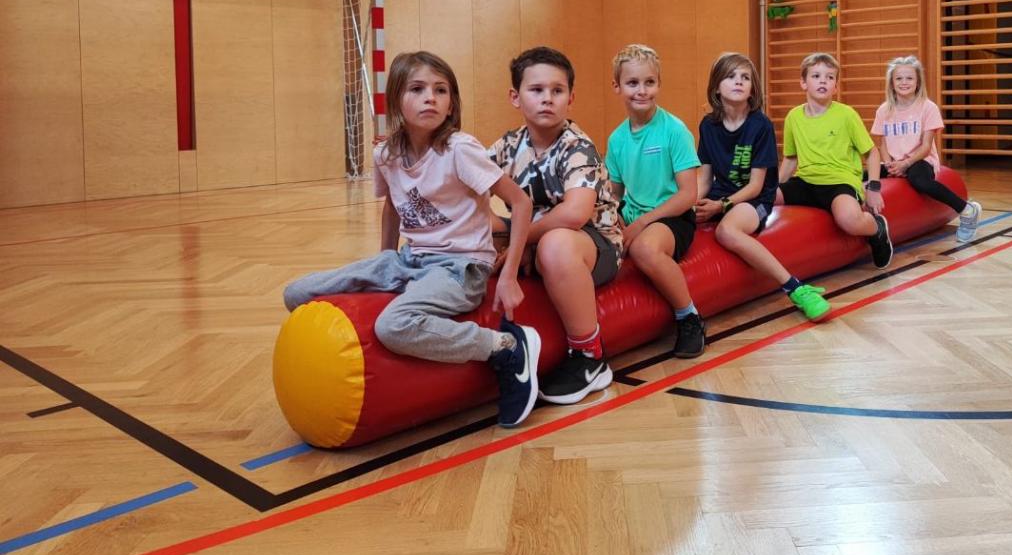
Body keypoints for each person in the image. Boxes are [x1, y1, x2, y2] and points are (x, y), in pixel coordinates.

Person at [283, 51, 542, 429]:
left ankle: (503, 347)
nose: (430, 98)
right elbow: (393, 206)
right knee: (297, 293)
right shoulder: (386, 153)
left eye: (441, 90)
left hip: (461, 267)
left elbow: (521, 203)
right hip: (410, 260)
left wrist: (508, 276)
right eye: (417, 89)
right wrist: (383, 261)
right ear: (396, 100)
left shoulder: (459, 150)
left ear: (452, 102)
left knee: (393, 326)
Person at [489, 46, 622, 405]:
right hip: (532, 236)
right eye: (536, 90)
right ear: (515, 97)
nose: (547, 98)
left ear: (570, 98)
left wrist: (519, 244)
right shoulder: (508, 145)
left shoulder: (577, 147)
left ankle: (590, 356)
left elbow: (574, 214)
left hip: (591, 243)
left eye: (557, 90)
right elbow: (464, 185)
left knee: (555, 244)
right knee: (479, 225)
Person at [694, 53, 831, 322]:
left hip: (754, 198)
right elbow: (705, 179)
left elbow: (756, 186)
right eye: (731, 76)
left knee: (726, 231)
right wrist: (692, 204)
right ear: (716, 87)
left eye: (745, 77)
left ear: (753, 88)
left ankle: (796, 288)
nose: (739, 81)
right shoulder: (708, 125)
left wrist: (721, 206)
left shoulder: (760, 125)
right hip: (721, 192)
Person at [605, 43, 707, 358]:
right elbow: (615, 193)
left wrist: (640, 225)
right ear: (617, 86)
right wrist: (613, 219)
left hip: (673, 216)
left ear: (659, 84)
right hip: (634, 215)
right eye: (632, 83)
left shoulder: (674, 130)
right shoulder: (617, 139)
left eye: (649, 82)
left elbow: (688, 194)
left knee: (644, 249)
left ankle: (689, 317)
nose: (642, 90)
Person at [778, 52, 894, 269]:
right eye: (816, 76)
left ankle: (876, 227)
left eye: (830, 77)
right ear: (803, 83)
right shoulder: (793, 117)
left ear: (836, 87)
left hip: (839, 182)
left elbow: (872, 153)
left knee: (849, 220)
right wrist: (773, 187)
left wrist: (874, 188)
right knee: (766, 196)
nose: (823, 81)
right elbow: (790, 158)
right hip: (806, 181)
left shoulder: (846, 115)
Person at [866, 55, 982, 242]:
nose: (904, 82)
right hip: (894, 162)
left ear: (918, 81)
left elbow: (926, 146)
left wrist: (906, 164)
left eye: (909, 78)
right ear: (892, 83)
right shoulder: (884, 110)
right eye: (899, 78)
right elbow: (883, 143)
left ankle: (967, 210)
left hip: (920, 160)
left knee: (919, 181)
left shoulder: (928, 108)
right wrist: (888, 164)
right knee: (863, 175)